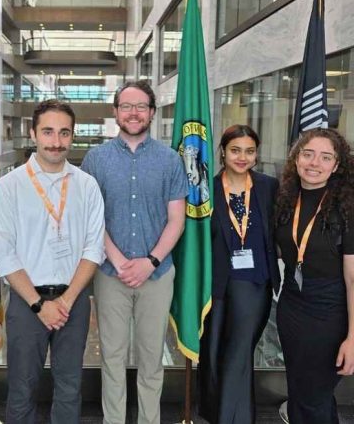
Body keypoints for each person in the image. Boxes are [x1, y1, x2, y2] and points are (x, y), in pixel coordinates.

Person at [0, 99, 105, 424]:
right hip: (27, 303)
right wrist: (41, 305)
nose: (56, 142)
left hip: (74, 300)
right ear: (33, 133)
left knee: (70, 386)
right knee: (22, 388)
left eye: (64, 133)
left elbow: (93, 248)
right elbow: (4, 253)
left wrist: (65, 301)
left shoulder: (87, 185)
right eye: (48, 132)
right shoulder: (9, 186)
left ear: (73, 136)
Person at [81, 80, 187, 424]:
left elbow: (177, 220)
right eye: (126, 106)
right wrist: (117, 259)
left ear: (152, 113)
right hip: (111, 275)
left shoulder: (170, 160)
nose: (133, 113)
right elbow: (90, 219)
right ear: (115, 113)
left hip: (156, 275)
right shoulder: (95, 159)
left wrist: (150, 261)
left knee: (151, 359)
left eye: (141, 106)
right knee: (111, 359)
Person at [198, 125, 280, 424]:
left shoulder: (268, 186)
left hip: (254, 284)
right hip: (215, 285)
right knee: (214, 350)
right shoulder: (205, 188)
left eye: (249, 151)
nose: (242, 157)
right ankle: (216, 412)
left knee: (238, 353)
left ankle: (235, 418)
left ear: (256, 154)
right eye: (235, 150)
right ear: (223, 151)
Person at [275, 128, 354, 424]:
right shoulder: (285, 199)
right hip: (292, 306)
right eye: (307, 154)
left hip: (330, 311)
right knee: (301, 392)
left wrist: (353, 337)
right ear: (296, 159)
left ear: (336, 165)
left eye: (325, 157)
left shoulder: (347, 207)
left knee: (312, 396)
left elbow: (352, 278)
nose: (314, 163)